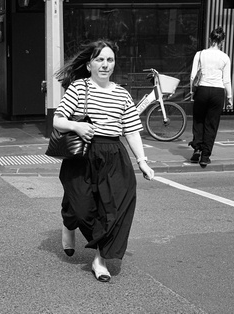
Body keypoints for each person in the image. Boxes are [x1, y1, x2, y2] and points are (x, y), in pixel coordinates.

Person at [53, 40, 154, 282]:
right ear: (89, 65)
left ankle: (100, 260)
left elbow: (130, 130)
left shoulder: (122, 94)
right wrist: (77, 125)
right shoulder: (79, 88)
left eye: (109, 60)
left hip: (113, 155)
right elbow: (58, 120)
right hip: (83, 155)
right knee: (80, 206)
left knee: (112, 209)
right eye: (100, 59)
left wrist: (142, 161)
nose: (105, 64)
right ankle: (69, 224)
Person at [189, 26, 233, 168]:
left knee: (199, 120)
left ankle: (197, 148)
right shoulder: (225, 57)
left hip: (202, 89)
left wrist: (192, 92)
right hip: (218, 92)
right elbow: (226, 80)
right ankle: (205, 156)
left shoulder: (200, 54)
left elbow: (192, 76)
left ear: (209, 38)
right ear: (223, 41)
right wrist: (230, 97)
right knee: (211, 123)